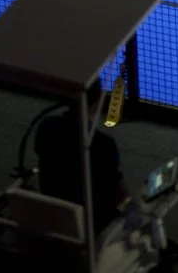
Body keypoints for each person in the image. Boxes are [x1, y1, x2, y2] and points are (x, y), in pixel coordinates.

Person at [35, 76, 130, 237]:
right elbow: (120, 194)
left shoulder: (46, 126)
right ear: (96, 103)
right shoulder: (104, 145)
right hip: (94, 224)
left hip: (53, 214)